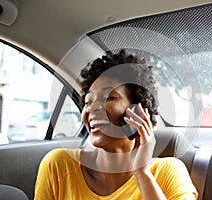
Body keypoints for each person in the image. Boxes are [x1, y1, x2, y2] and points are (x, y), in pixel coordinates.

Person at [34, 49, 198, 200]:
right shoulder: (58, 165)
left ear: (138, 110)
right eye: (88, 101)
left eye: (109, 97)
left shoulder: (168, 172)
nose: (93, 108)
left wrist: (142, 173)